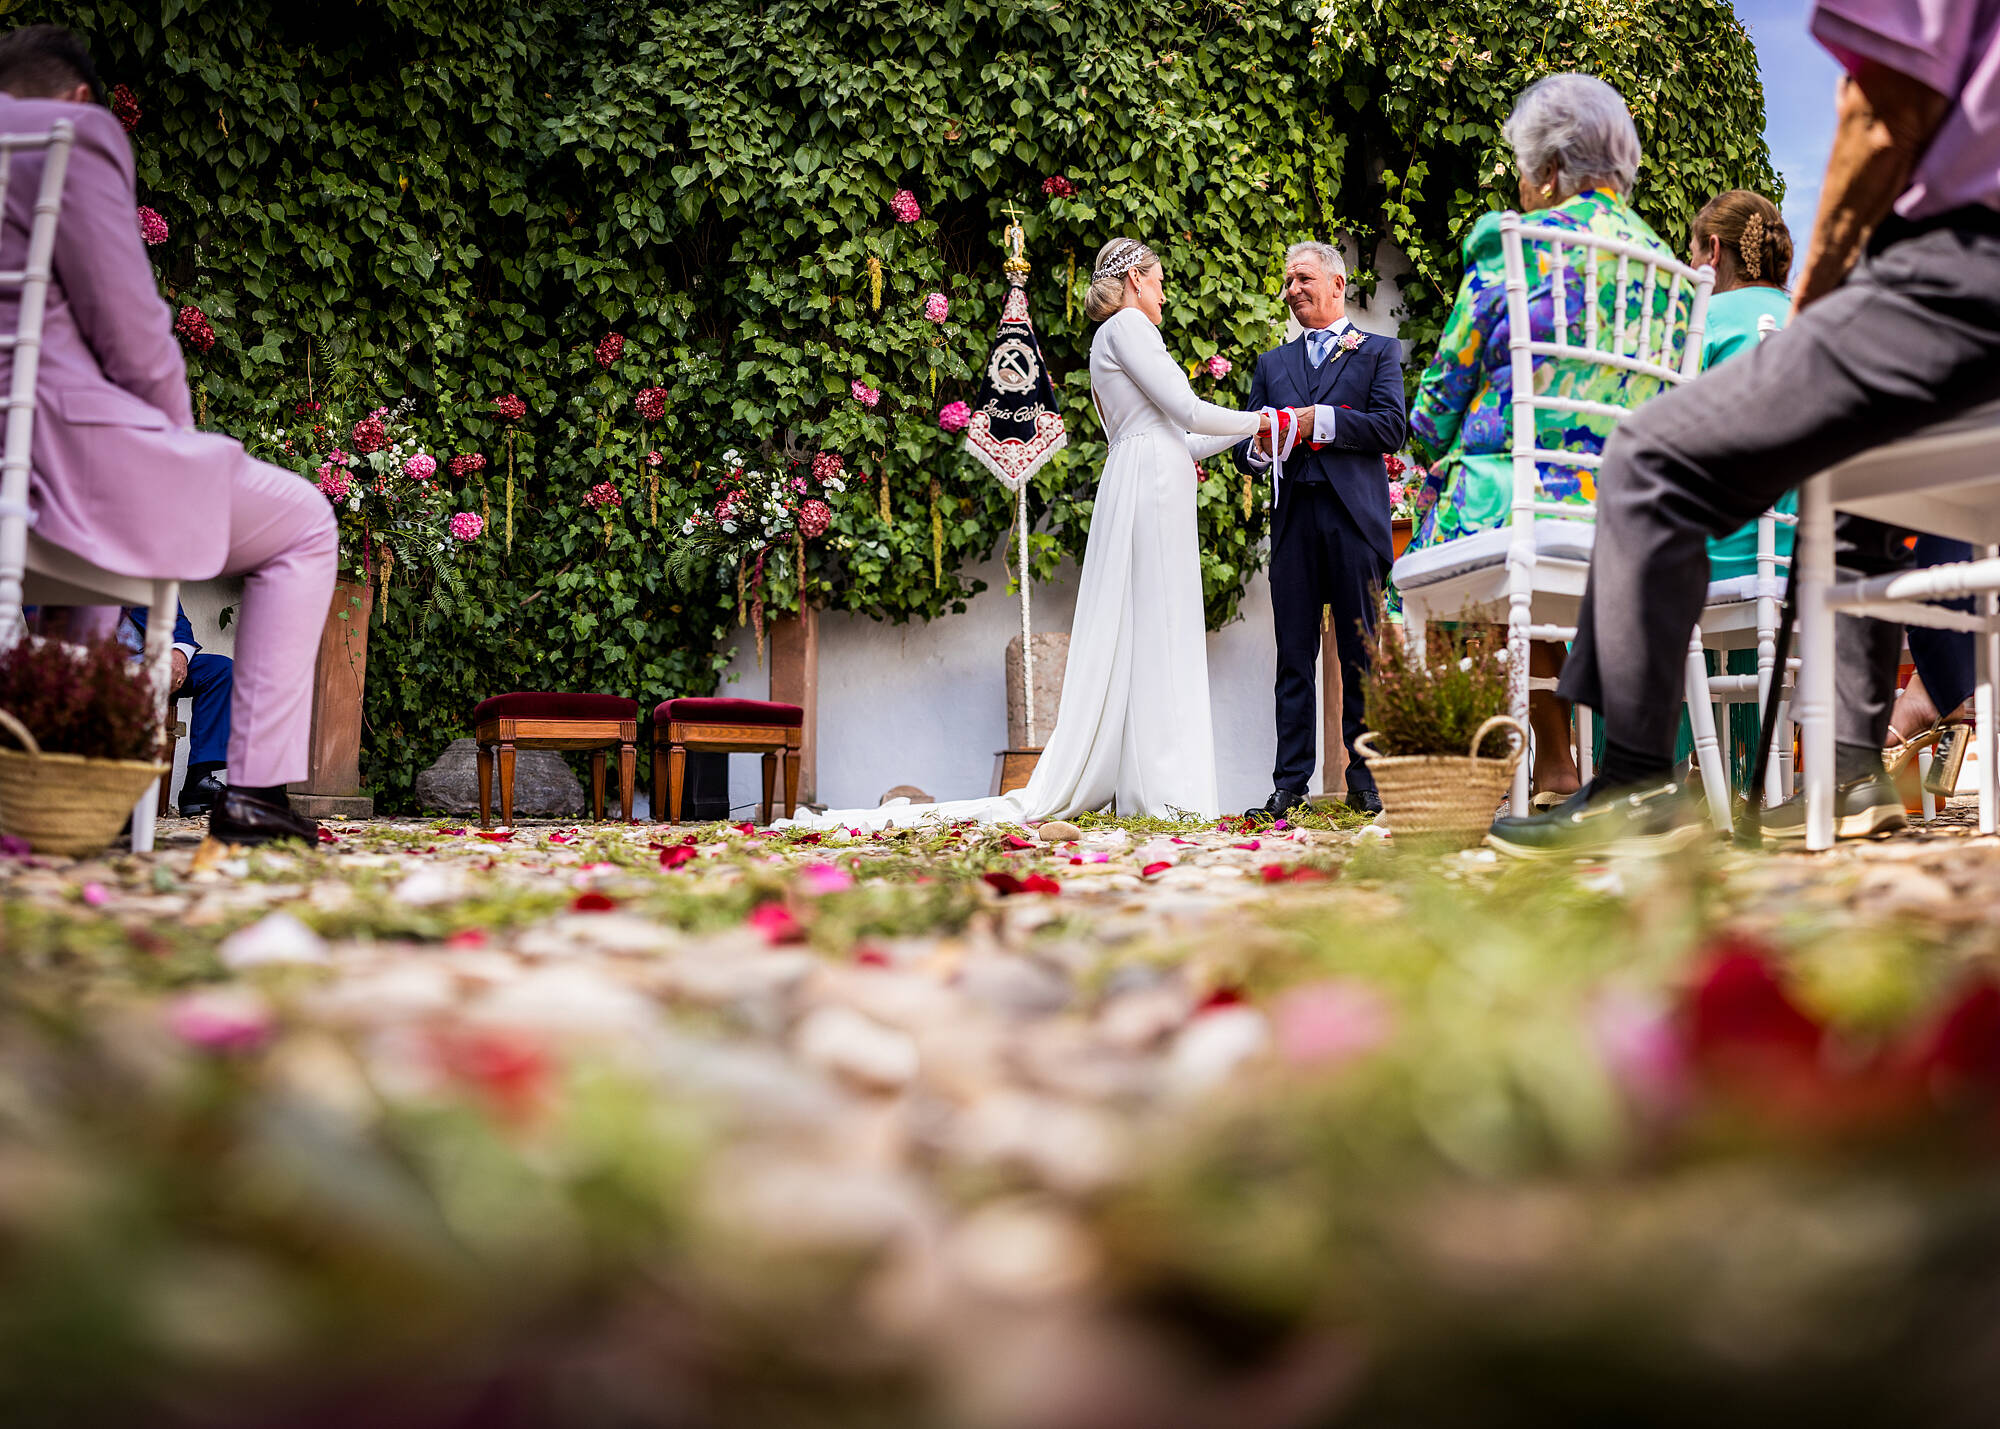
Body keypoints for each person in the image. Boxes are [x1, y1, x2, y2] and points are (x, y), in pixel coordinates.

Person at [1490, 0, 2000, 856]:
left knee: (1648, 455)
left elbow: (1882, 109)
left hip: (1961, 271)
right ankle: (1845, 771)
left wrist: (1819, 302)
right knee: (1849, 475)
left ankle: (1636, 781)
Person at [778, 237, 1274, 831]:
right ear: (1137, 280)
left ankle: (1157, 783)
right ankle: (1166, 788)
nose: (1165, 293)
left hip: (1150, 478)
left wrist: (1252, 433)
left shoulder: (1116, 338)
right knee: (1160, 627)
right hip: (1150, 487)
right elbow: (1190, 412)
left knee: (1155, 629)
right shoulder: (1128, 329)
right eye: (1160, 280)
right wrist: (1269, 418)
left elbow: (1186, 439)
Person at [0, 25, 335, 846]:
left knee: (89, 572)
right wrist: (173, 444)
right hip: (60, 445)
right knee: (301, 521)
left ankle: (62, 789)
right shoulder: (66, 134)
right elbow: (134, 334)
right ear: (80, 96)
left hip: (27, 482)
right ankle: (253, 795)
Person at [1400, 73, 1684, 808]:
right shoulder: (1671, 274)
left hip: (1520, 503)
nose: (1524, 188)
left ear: (1552, 173)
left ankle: (1455, 781)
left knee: (1451, 531)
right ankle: (1557, 767)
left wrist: (1443, 444)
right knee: (1524, 535)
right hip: (1630, 517)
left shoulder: (1515, 248)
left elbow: (1432, 413)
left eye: (1527, 172)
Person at [1232, 241, 1407, 821]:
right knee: (1293, 657)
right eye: (1287, 282)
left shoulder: (1378, 352)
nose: (1293, 290)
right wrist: (1258, 450)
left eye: (1303, 278)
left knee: (1362, 653)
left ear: (1338, 283)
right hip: (1295, 525)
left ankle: (1366, 778)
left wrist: (1319, 422)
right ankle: (1289, 786)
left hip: (1354, 522)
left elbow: (1390, 427)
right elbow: (1245, 450)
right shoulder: (1272, 365)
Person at [124, 603, 232, 816]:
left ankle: (198, 781)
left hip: (151, 664)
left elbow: (175, 618)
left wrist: (179, 651)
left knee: (220, 671)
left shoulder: (149, 572)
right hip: (98, 662)